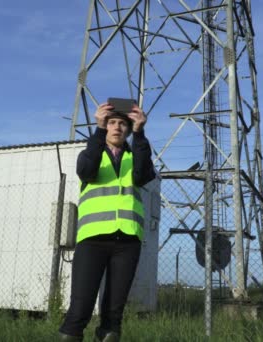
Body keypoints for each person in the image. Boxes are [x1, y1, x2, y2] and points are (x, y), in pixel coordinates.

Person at [59, 101, 156, 342]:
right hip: (92, 241)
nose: (117, 128)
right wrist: (98, 130)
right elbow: (86, 170)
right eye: (112, 123)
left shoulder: (136, 157)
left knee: (113, 318)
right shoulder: (91, 153)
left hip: (127, 243)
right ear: (105, 126)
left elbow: (144, 175)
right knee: (79, 309)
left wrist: (140, 133)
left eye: (123, 124)